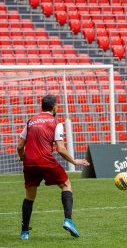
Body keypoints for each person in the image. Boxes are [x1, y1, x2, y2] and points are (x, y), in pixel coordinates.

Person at [17, 94, 89, 240]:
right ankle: (68, 220)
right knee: (66, 185)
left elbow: (19, 146)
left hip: (29, 162)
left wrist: (22, 158)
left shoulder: (30, 121)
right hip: (45, 160)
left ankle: (25, 232)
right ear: (54, 107)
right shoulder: (56, 122)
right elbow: (60, 149)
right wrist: (74, 161)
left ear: (42, 106)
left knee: (29, 196)